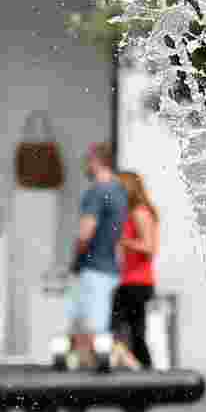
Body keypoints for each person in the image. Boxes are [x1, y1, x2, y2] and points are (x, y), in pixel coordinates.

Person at [66, 143, 128, 363]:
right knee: (100, 326)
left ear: (96, 161)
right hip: (112, 268)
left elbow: (86, 231)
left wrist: (74, 261)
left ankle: (88, 379)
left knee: (86, 327)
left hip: (92, 267)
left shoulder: (96, 192)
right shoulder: (120, 191)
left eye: (87, 160)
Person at [111, 171, 159, 369]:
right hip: (130, 281)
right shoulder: (132, 213)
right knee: (133, 332)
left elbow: (149, 248)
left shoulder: (140, 212)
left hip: (137, 282)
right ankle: (141, 369)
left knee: (121, 330)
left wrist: (123, 241)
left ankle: (142, 370)